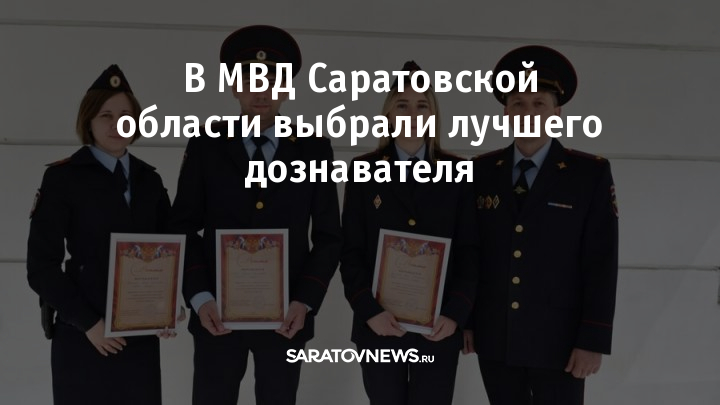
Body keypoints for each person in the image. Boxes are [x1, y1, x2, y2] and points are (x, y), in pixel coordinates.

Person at [169, 25, 342, 405]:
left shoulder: (313, 149)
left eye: (273, 80)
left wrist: (304, 301)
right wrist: (200, 296)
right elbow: (183, 227)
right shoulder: (206, 145)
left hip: (286, 317)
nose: (261, 91)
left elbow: (329, 236)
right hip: (216, 314)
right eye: (249, 80)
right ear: (234, 85)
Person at [465, 45, 619, 405]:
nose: (528, 113)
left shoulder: (588, 174)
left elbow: (601, 263)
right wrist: (467, 320)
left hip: (561, 342)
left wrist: (592, 340)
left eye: (539, 103)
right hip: (496, 336)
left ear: (557, 112)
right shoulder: (481, 171)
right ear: (506, 111)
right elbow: (471, 252)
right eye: (518, 103)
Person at [26, 64, 173, 405]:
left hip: (139, 339)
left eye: (125, 115)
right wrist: (89, 323)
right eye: (106, 115)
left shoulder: (149, 181)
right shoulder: (63, 179)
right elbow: (41, 267)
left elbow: (168, 251)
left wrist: (168, 307)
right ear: (88, 120)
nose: (117, 123)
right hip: (83, 335)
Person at [339, 61, 480, 405]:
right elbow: (350, 251)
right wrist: (369, 311)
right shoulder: (363, 169)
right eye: (402, 105)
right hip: (379, 325)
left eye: (422, 105)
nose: (413, 114)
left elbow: (471, 251)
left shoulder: (458, 171)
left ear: (433, 115)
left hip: (438, 327)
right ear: (388, 113)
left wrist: (455, 314)